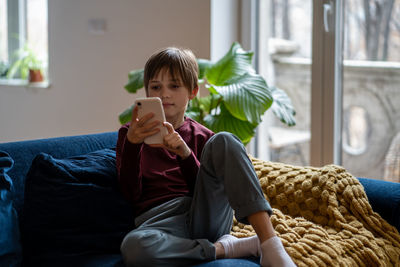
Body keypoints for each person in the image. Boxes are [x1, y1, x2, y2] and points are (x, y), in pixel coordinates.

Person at [116, 46, 296, 267]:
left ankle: (270, 245)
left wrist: (185, 155)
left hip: (204, 214)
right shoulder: (130, 134)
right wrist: (133, 146)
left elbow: (204, 189)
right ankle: (227, 248)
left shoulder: (204, 137)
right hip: (160, 224)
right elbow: (130, 194)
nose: (164, 94)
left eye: (174, 86)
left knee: (225, 140)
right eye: (156, 87)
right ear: (147, 93)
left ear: (192, 92)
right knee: (133, 247)